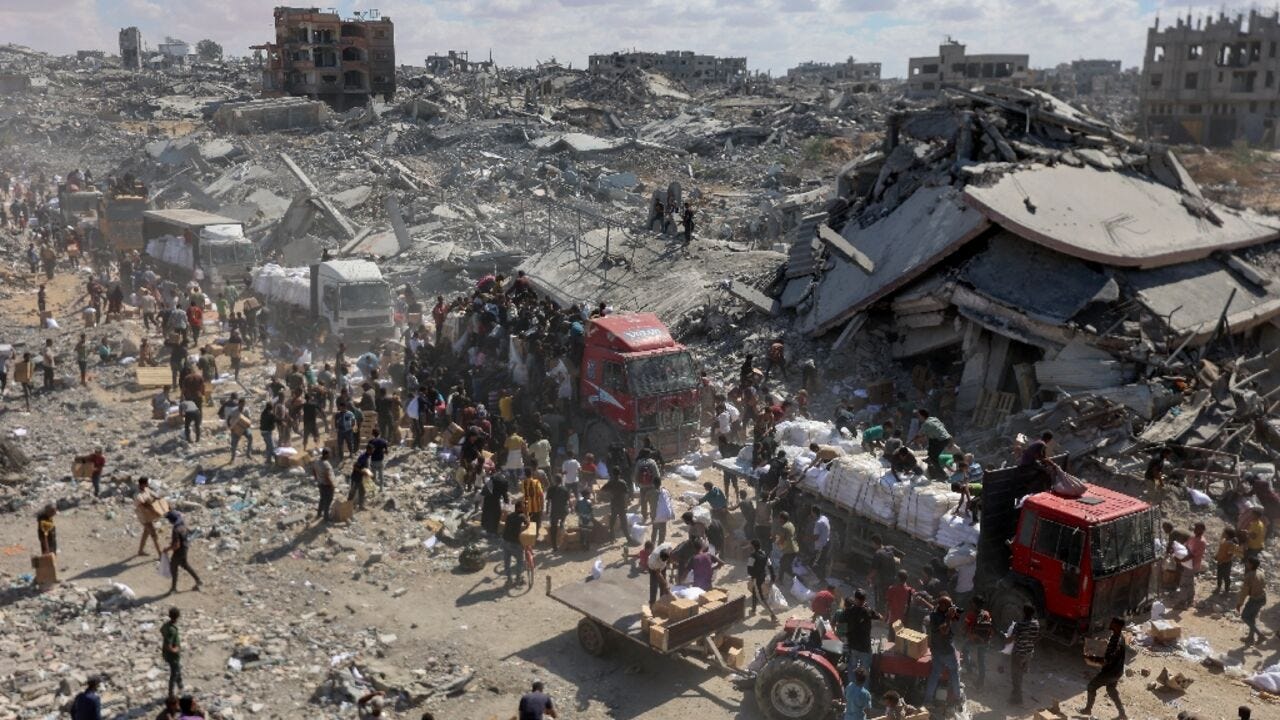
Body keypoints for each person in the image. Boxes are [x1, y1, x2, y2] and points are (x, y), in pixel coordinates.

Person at [1080, 616, 1128, 720]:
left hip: (1110, 672)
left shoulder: (1117, 641)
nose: (1110, 624)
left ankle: (1088, 709)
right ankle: (1122, 714)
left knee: (1091, 686)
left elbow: (1108, 659)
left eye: (1112, 623)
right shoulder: (1118, 636)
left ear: (1117, 626)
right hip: (1117, 671)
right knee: (1111, 690)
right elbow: (1112, 653)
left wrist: (1092, 658)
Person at [923, 594, 963, 707]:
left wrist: (954, 614)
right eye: (949, 605)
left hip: (937, 650)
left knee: (935, 674)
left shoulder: (937, 613)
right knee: (954, 673)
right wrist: (949, 617)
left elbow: (958, 618)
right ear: (943, 606)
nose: (951, 607)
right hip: (946, 651)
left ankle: (928, 700)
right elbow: (944, 631)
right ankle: (957, 698)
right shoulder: (936, 617)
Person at [838, 590, 880, 673]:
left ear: (855, 599)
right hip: (865, 646)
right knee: (864, 670)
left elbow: (840, 620)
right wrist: (868, 608)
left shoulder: (849, 611)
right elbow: (880, 617)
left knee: (852, 669)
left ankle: (853, 680)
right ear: (864, 599)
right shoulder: (868, 611)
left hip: (853, 646)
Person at [1006, 603, 1040, 705]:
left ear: (1024, 612)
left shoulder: (1019, 625)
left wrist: (1006, 637)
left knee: (1016, 676)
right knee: (1020, 675)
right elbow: (1036, 638)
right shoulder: (1036, 624)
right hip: (1028, 653)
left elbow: (1011, 639)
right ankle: (1016, 694)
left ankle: (1017, 699)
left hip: (1018, 654)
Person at [165, 511, 201, 594]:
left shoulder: (175, 529)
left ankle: (173, 588)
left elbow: (176, 545)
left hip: (179, 551)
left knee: (173, 567)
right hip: (185, 548)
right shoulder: (182, 525)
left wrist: (167, 549)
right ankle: (198, 580)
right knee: (185, 565)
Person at [961, 595, 993, 689]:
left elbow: (964, 627)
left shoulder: (971, 615)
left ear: (974, 604)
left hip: (974, 640)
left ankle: (969, 669)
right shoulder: (987, 613)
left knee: (965, 650)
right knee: (981, 661)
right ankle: (980, 682)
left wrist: (964, 632)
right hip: (985, 641)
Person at [911, 409, 951, 479]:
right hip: (946, 437)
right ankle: (929, 458)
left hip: (941, 440)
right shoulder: (934, 418)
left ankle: (943, 475)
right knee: (931, 439)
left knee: (934, 458)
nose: (918, 418)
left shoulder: (925, 424)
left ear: (922, 416)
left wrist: (913, 440)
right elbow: (942, 425)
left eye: (919, 416)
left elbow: (919, 435)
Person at [1237, 556, 1268, 644]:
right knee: (1252, 618)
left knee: (1245, 617)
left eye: (1248, 562)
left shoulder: (1249, 576)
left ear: (1251, 565)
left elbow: (1244, 592)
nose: (1246, 564)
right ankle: (1250, 638)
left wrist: (1239, 603)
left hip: (1255, 600)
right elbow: (1264, 585)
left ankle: (1260, 635)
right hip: (1262, 598)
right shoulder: (1261, 572)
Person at [747, 538, 777, 620]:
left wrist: (752, 577)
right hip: (763, 576)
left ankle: (772, 615)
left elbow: (749, 569)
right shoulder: (765, 554)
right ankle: (753, 609)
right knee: (754, 591)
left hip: (757, 578)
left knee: (760, 597)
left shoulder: (752, 556)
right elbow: (770, 566)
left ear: (753, 546)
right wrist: (773, 577)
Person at [135, 477, 165, 557]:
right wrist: (158, 511)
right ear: (142, 484)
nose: (148, 485)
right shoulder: (138, 495)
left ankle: (140, 551)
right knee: (154, 535)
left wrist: (159, 499)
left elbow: (154, 495)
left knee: (146, 533)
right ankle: (160, 554)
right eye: (146, 483)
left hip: (148, 515)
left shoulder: (146, 489)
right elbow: (146, 505)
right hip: (144, 518)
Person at [502, 500, 529, 586]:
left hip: (505, 541)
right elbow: (527, 524)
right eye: (523, 507)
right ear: (519, 508)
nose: (525, 508)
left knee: (507, 562)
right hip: (515, 543)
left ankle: (509, 580)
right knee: (520, 561)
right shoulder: (522, 516)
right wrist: (526, 516)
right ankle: (518, 579)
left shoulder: (510, 515)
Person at [870, 534, 898, 614]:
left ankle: (879, 614)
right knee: (887, 599)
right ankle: (884, 613)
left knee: (880, 599)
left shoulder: (878, 554)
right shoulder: (890, 548)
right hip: (893, 579)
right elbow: (901, 555)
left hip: (883, 581)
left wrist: (868, 578)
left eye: (871, 543)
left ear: (874, 543)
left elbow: (874, 571)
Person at [162, 607, 183, 697]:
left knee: (177, 669)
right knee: (174, 673)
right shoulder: (172, 630)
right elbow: (169, 645)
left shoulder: (166, 625)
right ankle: (171, 693)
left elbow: (161, 630)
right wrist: (176, 649)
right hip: (173, 656)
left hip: (166, 654)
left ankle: (180, 685)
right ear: (177, 617)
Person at [602, 472, 630, 541]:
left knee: (612, 521)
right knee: (623, 522)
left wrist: (610, 494)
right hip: (621, 504)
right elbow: (626, 493)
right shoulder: (622, 482)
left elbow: (603, 489)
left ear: (613, 475)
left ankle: (612, 537)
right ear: (619, 474)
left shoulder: (610, 482)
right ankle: (628, 538)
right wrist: (626, 503)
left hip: (614, 504)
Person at [808, 505, 832, 582]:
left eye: (811, 512)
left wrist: (807, 538)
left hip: (821, 547)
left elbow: (816, 537)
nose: (811, 513)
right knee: (822, 562)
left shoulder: (818, 523)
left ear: (814, 513)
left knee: (815, 564)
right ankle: (822, 579)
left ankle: (816, 580)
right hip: (827, 543)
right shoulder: (825, 518)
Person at [547, 475, 571, 550]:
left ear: (555, 480)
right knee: (562, 523)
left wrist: (547, 510)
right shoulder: (565, 489)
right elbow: (568, 500)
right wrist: (571, 508)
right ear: (561, 480)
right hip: (563, 511)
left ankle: (554, 545)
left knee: (553, 528)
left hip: (554, 511)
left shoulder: (551, 489)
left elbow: (548, 501)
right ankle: (562, 526)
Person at [775, 510, 799, 585]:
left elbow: (781, 540)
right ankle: (797, 578)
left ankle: (780, 580)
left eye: (779, 518)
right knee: (787, 566)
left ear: (782, 519)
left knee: (782, 565)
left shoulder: (783, 527)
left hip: (789, 550)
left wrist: (777, 543)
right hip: (794, 549)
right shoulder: (790, 524)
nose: (778, 519)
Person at [1215, 527, 1241, 594]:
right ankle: (1218, 587)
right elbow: (1220, 550)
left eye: (1224, 533)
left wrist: (1222, 560)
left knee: (1226, 576)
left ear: (1227, 535)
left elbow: (1230, 555)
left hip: (1226, 563)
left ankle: (1226, 589)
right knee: (1219, 575)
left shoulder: (1231, 544)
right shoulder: (1224, 541)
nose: (1222, 533)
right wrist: (1217, 556)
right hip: (1220, 561)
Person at [313, 449, 335, 522]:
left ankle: (319, 513)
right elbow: (327, 477)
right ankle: (326, 517)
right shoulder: (326, 464)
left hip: (320, 483)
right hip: (327, 485)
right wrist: (332, 485)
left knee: (322, 499)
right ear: (326, 455)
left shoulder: (317, 461)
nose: (330, 455)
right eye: (330, 454)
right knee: (328, 500)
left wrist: (317, 478)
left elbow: (313, 470)